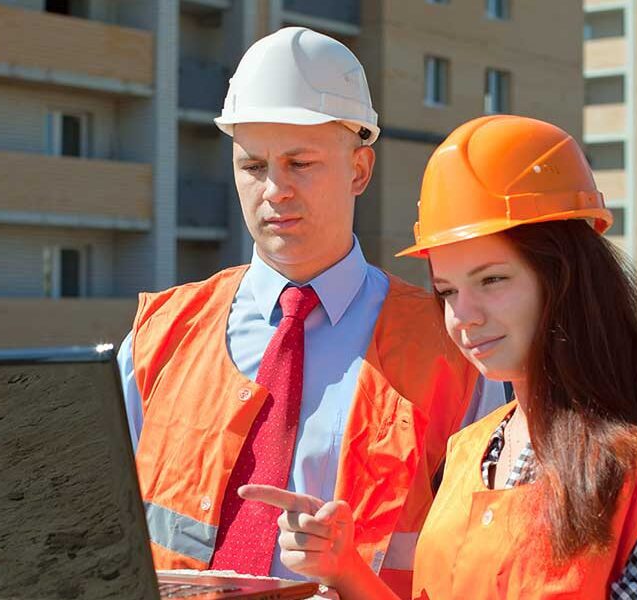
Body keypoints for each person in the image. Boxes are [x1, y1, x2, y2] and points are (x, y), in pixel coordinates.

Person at [241, 115, 637, 599]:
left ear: (566, 280)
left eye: (492, 280)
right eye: (447, 291)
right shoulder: (472, 451)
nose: (462, 315)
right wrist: (346, 569)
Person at [116, 27, 498, 597]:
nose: (274, 189)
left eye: (301, 163)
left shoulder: (455, 347)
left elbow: (482, 563)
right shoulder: (161, 335)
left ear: (360, 171)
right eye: (254, 166)